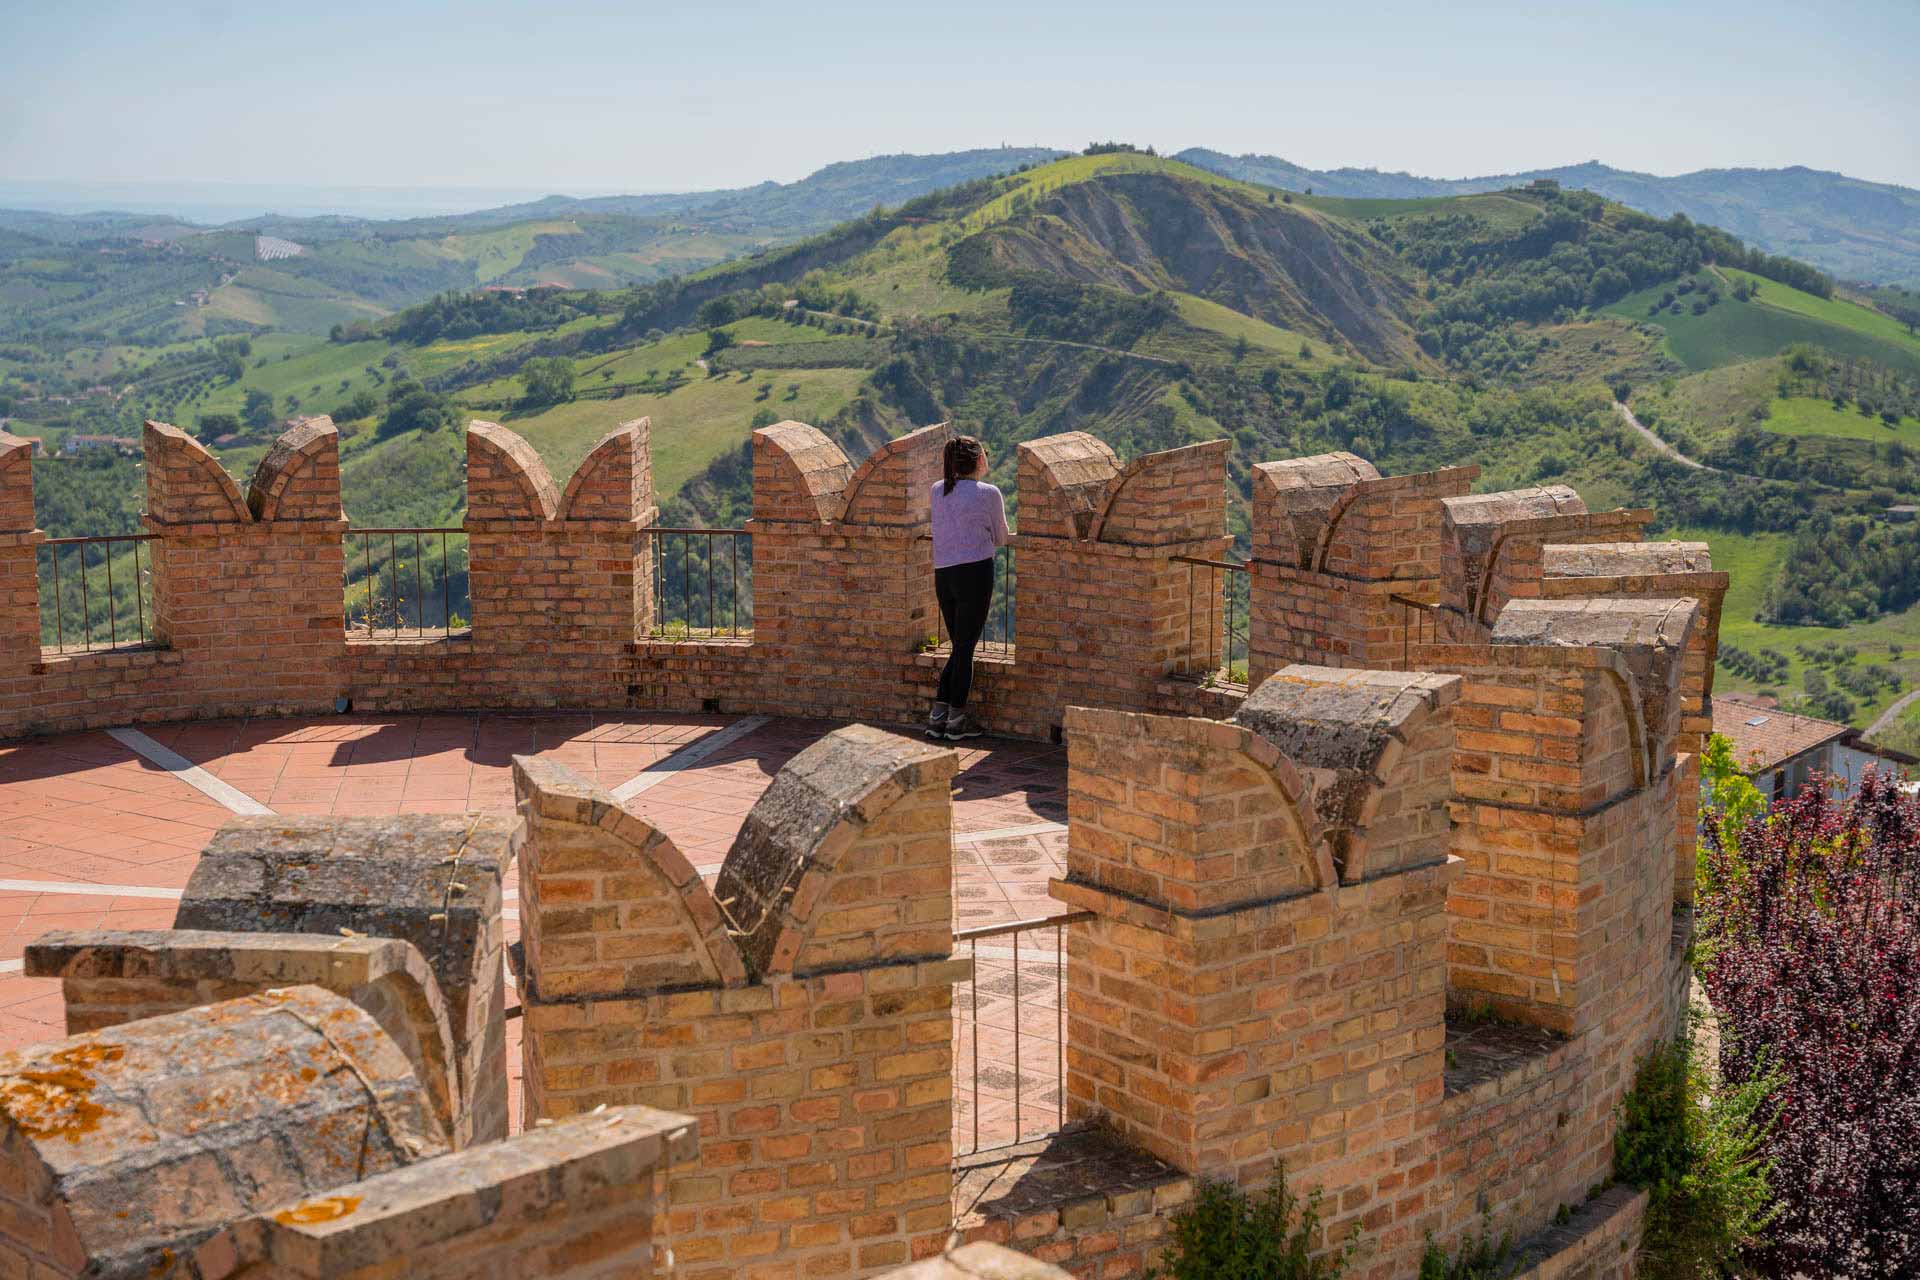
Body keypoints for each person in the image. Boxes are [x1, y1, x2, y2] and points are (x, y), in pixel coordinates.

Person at [928, 435, 1009, 740]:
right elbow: (1001, 539)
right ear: (978, 460)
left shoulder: (937, 490)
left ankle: (939, 715)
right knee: (965, 648)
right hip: (975, 573)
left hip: (943, 575)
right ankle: (956, 719)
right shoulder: (988, 493)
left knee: (959, 645)